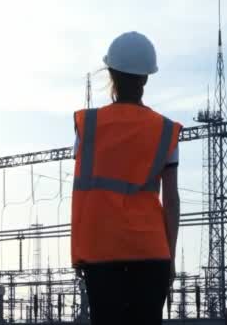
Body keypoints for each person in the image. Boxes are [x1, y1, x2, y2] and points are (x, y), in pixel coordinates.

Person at [71, 31, 182, 325]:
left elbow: (82, 193)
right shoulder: (166, 130)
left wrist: (79, 252)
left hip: (101, 253)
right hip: (151, 252)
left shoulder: (88, 126)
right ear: (146, 78)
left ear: (111, 74)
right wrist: (169, 258)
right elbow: (171, 201)